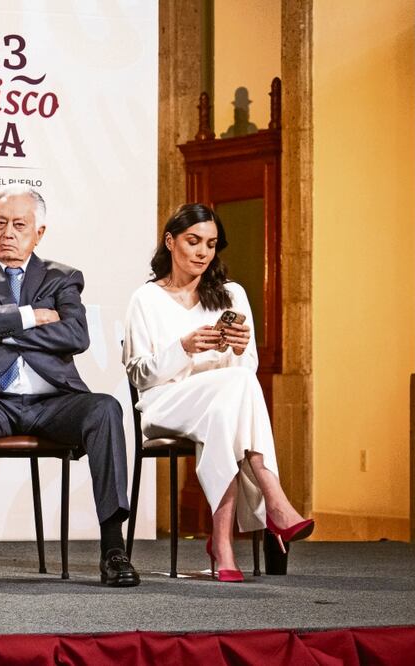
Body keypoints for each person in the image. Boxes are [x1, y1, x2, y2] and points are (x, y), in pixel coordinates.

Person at [0, 185, 138, 589]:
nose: (7, 233)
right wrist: (31, 316)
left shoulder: (62, 277)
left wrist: (1, 332)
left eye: (18, 225)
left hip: (54, 403)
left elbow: (76, 335)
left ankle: (114, 550)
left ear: (39, 232)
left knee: (105, 409)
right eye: (0, 224)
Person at [122, 203, 314, 582]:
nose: (201, 252)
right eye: (193, 242)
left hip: (220, 407)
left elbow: (247, 372)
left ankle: (222, 544)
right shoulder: (145, 298)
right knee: (234, 397)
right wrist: (185, 348)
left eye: (210, 244)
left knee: (230, 403)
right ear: (170, 242)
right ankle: (272, 496)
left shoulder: (232, 294)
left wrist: (241, 349)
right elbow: (140, 375)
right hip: (166, 403)